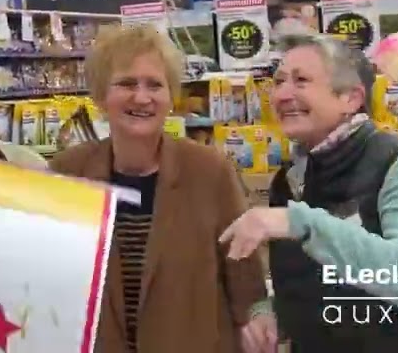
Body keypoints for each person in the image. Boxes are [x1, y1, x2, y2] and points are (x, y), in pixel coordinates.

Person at [221, 34, 398, 353]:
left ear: (351, 98)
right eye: (279, 82)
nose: (282, 94)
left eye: (301, 81)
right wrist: (273, 313)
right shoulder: (290, 180)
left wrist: (300, 223)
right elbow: (321, 281)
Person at [51, 24, 274, 353]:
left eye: (155, 85)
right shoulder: (68, 172)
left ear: (170, 97)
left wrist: (256, 316)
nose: (142, 97)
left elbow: (243, 269)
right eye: (127, 83)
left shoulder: (209, 171)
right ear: (100, 96)